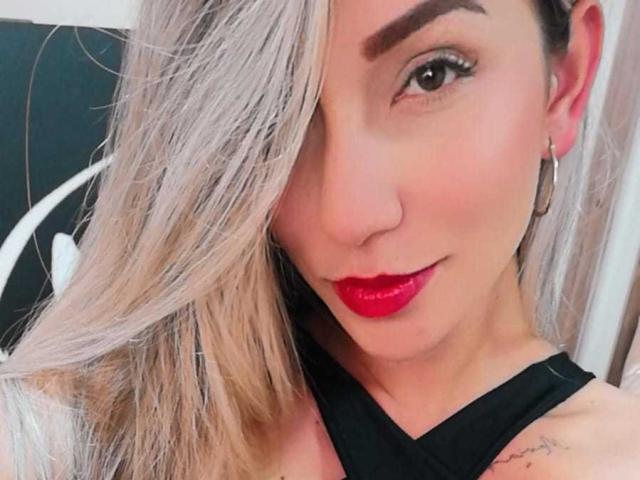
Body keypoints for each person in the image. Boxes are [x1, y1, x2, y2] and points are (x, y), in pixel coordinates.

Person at [0, 1, 637, 479]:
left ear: (565, 82)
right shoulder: (141, 395)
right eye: (277, 113)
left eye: (432, 74)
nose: (347, 214)